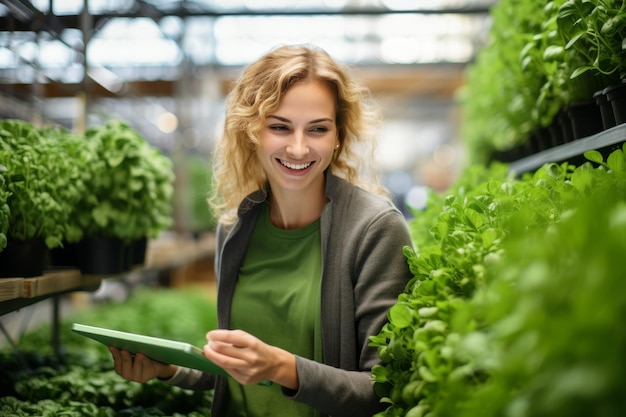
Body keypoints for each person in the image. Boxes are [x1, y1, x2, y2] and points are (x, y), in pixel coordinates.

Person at [108, 44, 413, 417]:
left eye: (317, 129)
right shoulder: (237, 229)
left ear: (338, 135)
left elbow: (383, 388)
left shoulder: (374, 230)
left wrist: (281, 367)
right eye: (280, 127)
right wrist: (168, 369)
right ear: (253, 131)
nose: (298, 148)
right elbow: (241, 373)